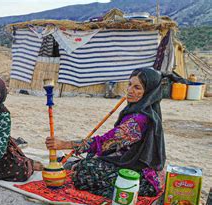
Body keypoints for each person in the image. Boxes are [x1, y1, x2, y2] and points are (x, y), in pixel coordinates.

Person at [45, 68, 166, 197]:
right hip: (129, 160)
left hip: (142, 178)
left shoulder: (139, 120)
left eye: (137, 88)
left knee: (85, 169)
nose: (130, 90)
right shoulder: (137, 110)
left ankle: (120, 193)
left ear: (148, 92)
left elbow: (104, 142)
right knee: (92, 155)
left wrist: (64, 144)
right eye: (130, 84)